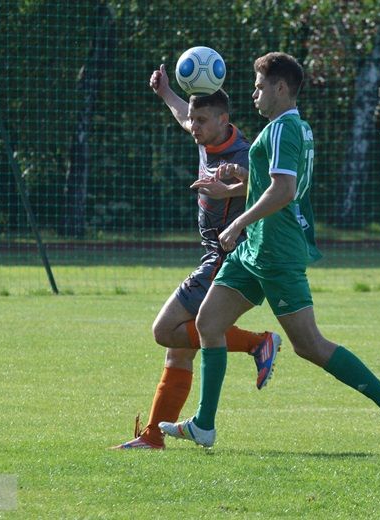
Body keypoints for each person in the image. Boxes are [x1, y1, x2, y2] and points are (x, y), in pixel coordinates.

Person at [160, 52, 380, 455]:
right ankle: (204, 425)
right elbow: (272, 181)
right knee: (209, 322)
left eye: (260, 86)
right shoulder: (294, 128)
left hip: (275, 250)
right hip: (255, 249)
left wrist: (236, 221)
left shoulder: (282, 129)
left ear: (280, 88)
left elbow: (284, 191)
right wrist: (235, 184)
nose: (254, 93)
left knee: (309, 344)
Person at [111, 64, 281, 450]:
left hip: (225, 256)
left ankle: (257, 343)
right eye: (194, 120)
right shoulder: (206, 136)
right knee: (178, 347)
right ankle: (154, 435)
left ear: (225, 120)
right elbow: (182, 115)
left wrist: (235, 188)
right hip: (210, 254)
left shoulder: (244, 152)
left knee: (164, 331)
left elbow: (276, 188)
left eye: (202, 120)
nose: (195, 127)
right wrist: (166, 93)